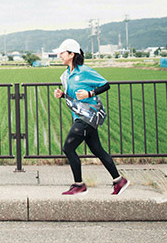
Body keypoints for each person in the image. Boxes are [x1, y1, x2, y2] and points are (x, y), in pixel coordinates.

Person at [53, 39, 130, 195]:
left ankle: (79, 185)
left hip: (88, 117)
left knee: (68, 147)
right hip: (79, 115)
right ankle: (119, 180)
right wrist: (62, 95)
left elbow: (105, 84)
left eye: (62, 53)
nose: (59, 56)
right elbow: (74, 96)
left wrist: (90, 93)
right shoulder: (67, 74)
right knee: (98, 150)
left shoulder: (84, 71)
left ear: (71, 54)